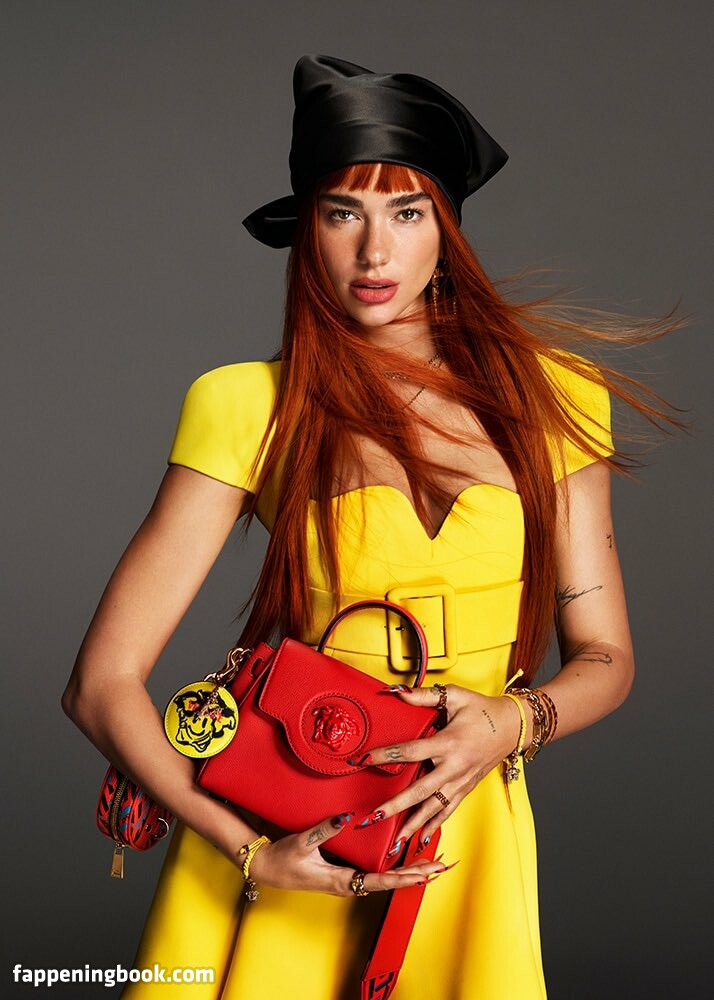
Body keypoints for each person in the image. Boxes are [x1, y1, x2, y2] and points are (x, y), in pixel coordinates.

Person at [63, 55, 683, 999]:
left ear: (448, 230)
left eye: (407, 212)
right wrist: (248, 853)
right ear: (307, 228)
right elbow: (100, 684)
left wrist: (511, 723)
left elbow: (608, 657)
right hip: (293, 827)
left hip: (461, 830)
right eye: (342, 212)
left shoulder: (556, 398)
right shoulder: (248, 405)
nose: (374, 253)